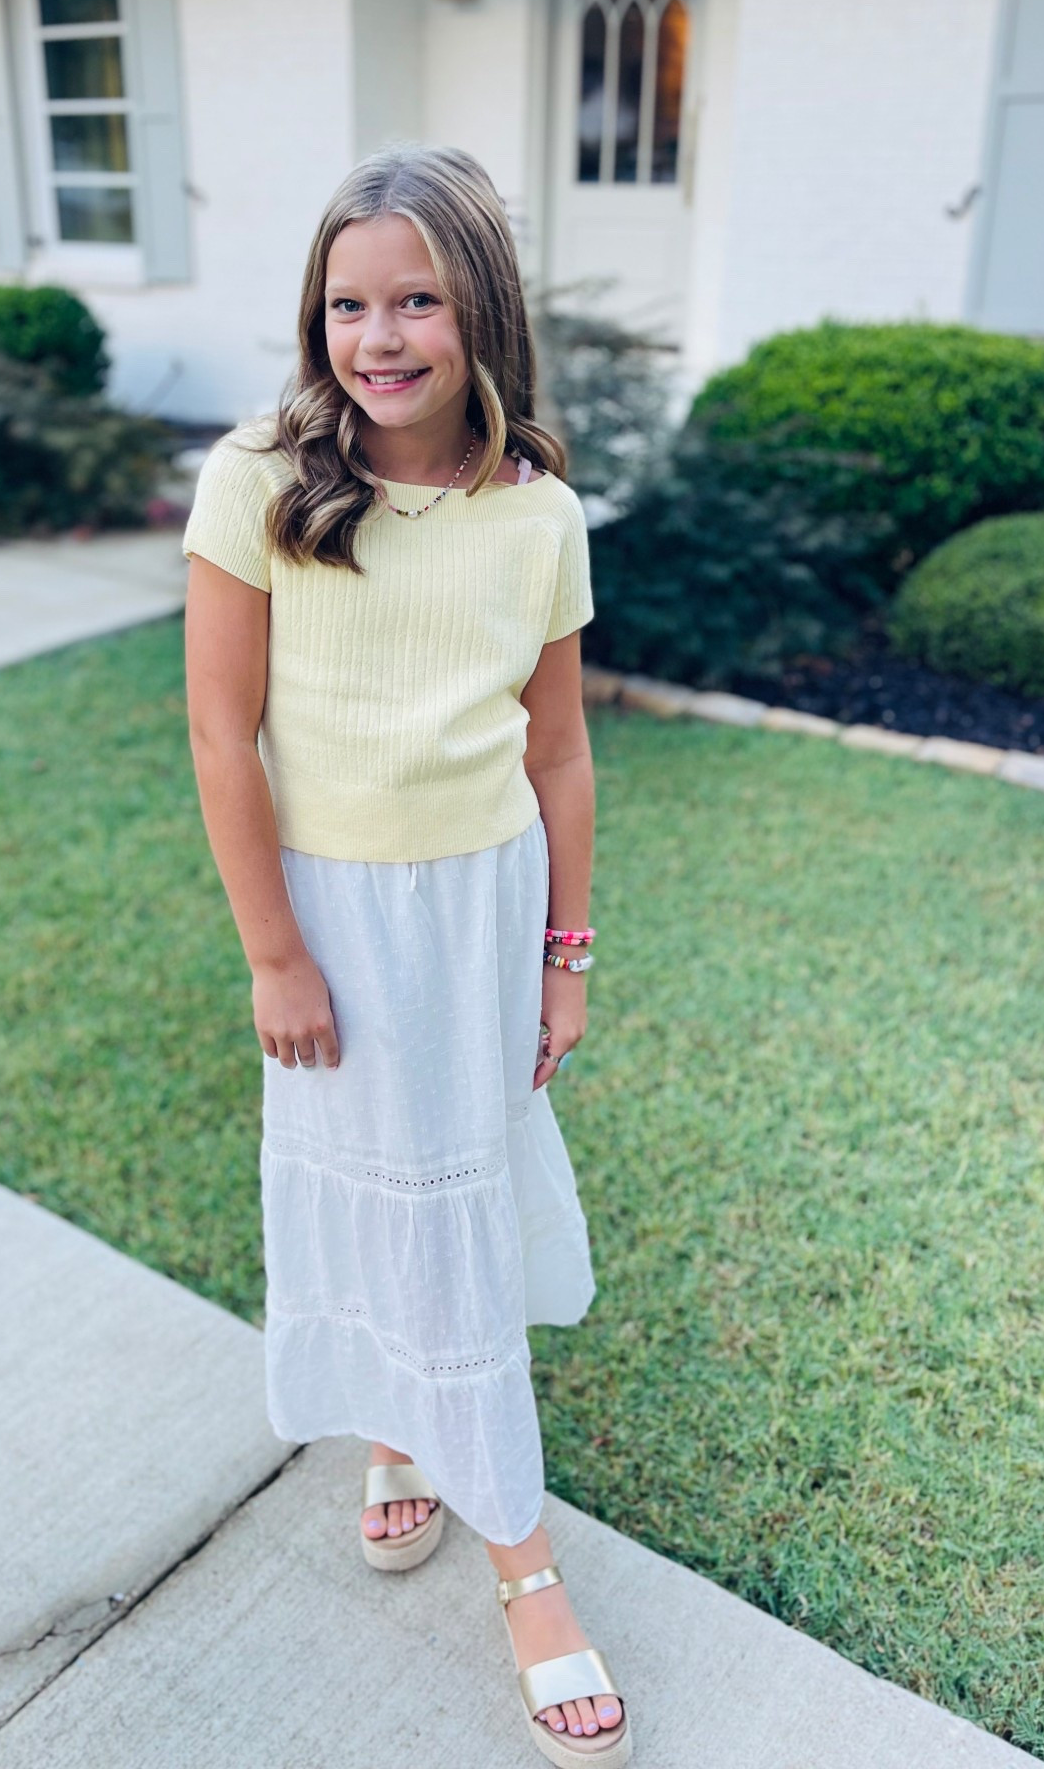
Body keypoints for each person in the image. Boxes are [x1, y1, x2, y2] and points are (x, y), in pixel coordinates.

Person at [180, 143, 629, 1765]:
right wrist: (273, 956)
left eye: (419, 298)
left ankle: (496, 1531)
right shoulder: (260, 483)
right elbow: (223, 741)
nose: (382, 335)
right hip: (337, 918)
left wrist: (566, 953)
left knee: (456, 1192)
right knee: (370, 1181)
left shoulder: (539, 514)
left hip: (484, 907)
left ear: (480, 309)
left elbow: (560, 746)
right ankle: (448, 1491)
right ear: (318, 316)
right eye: (350, 301)